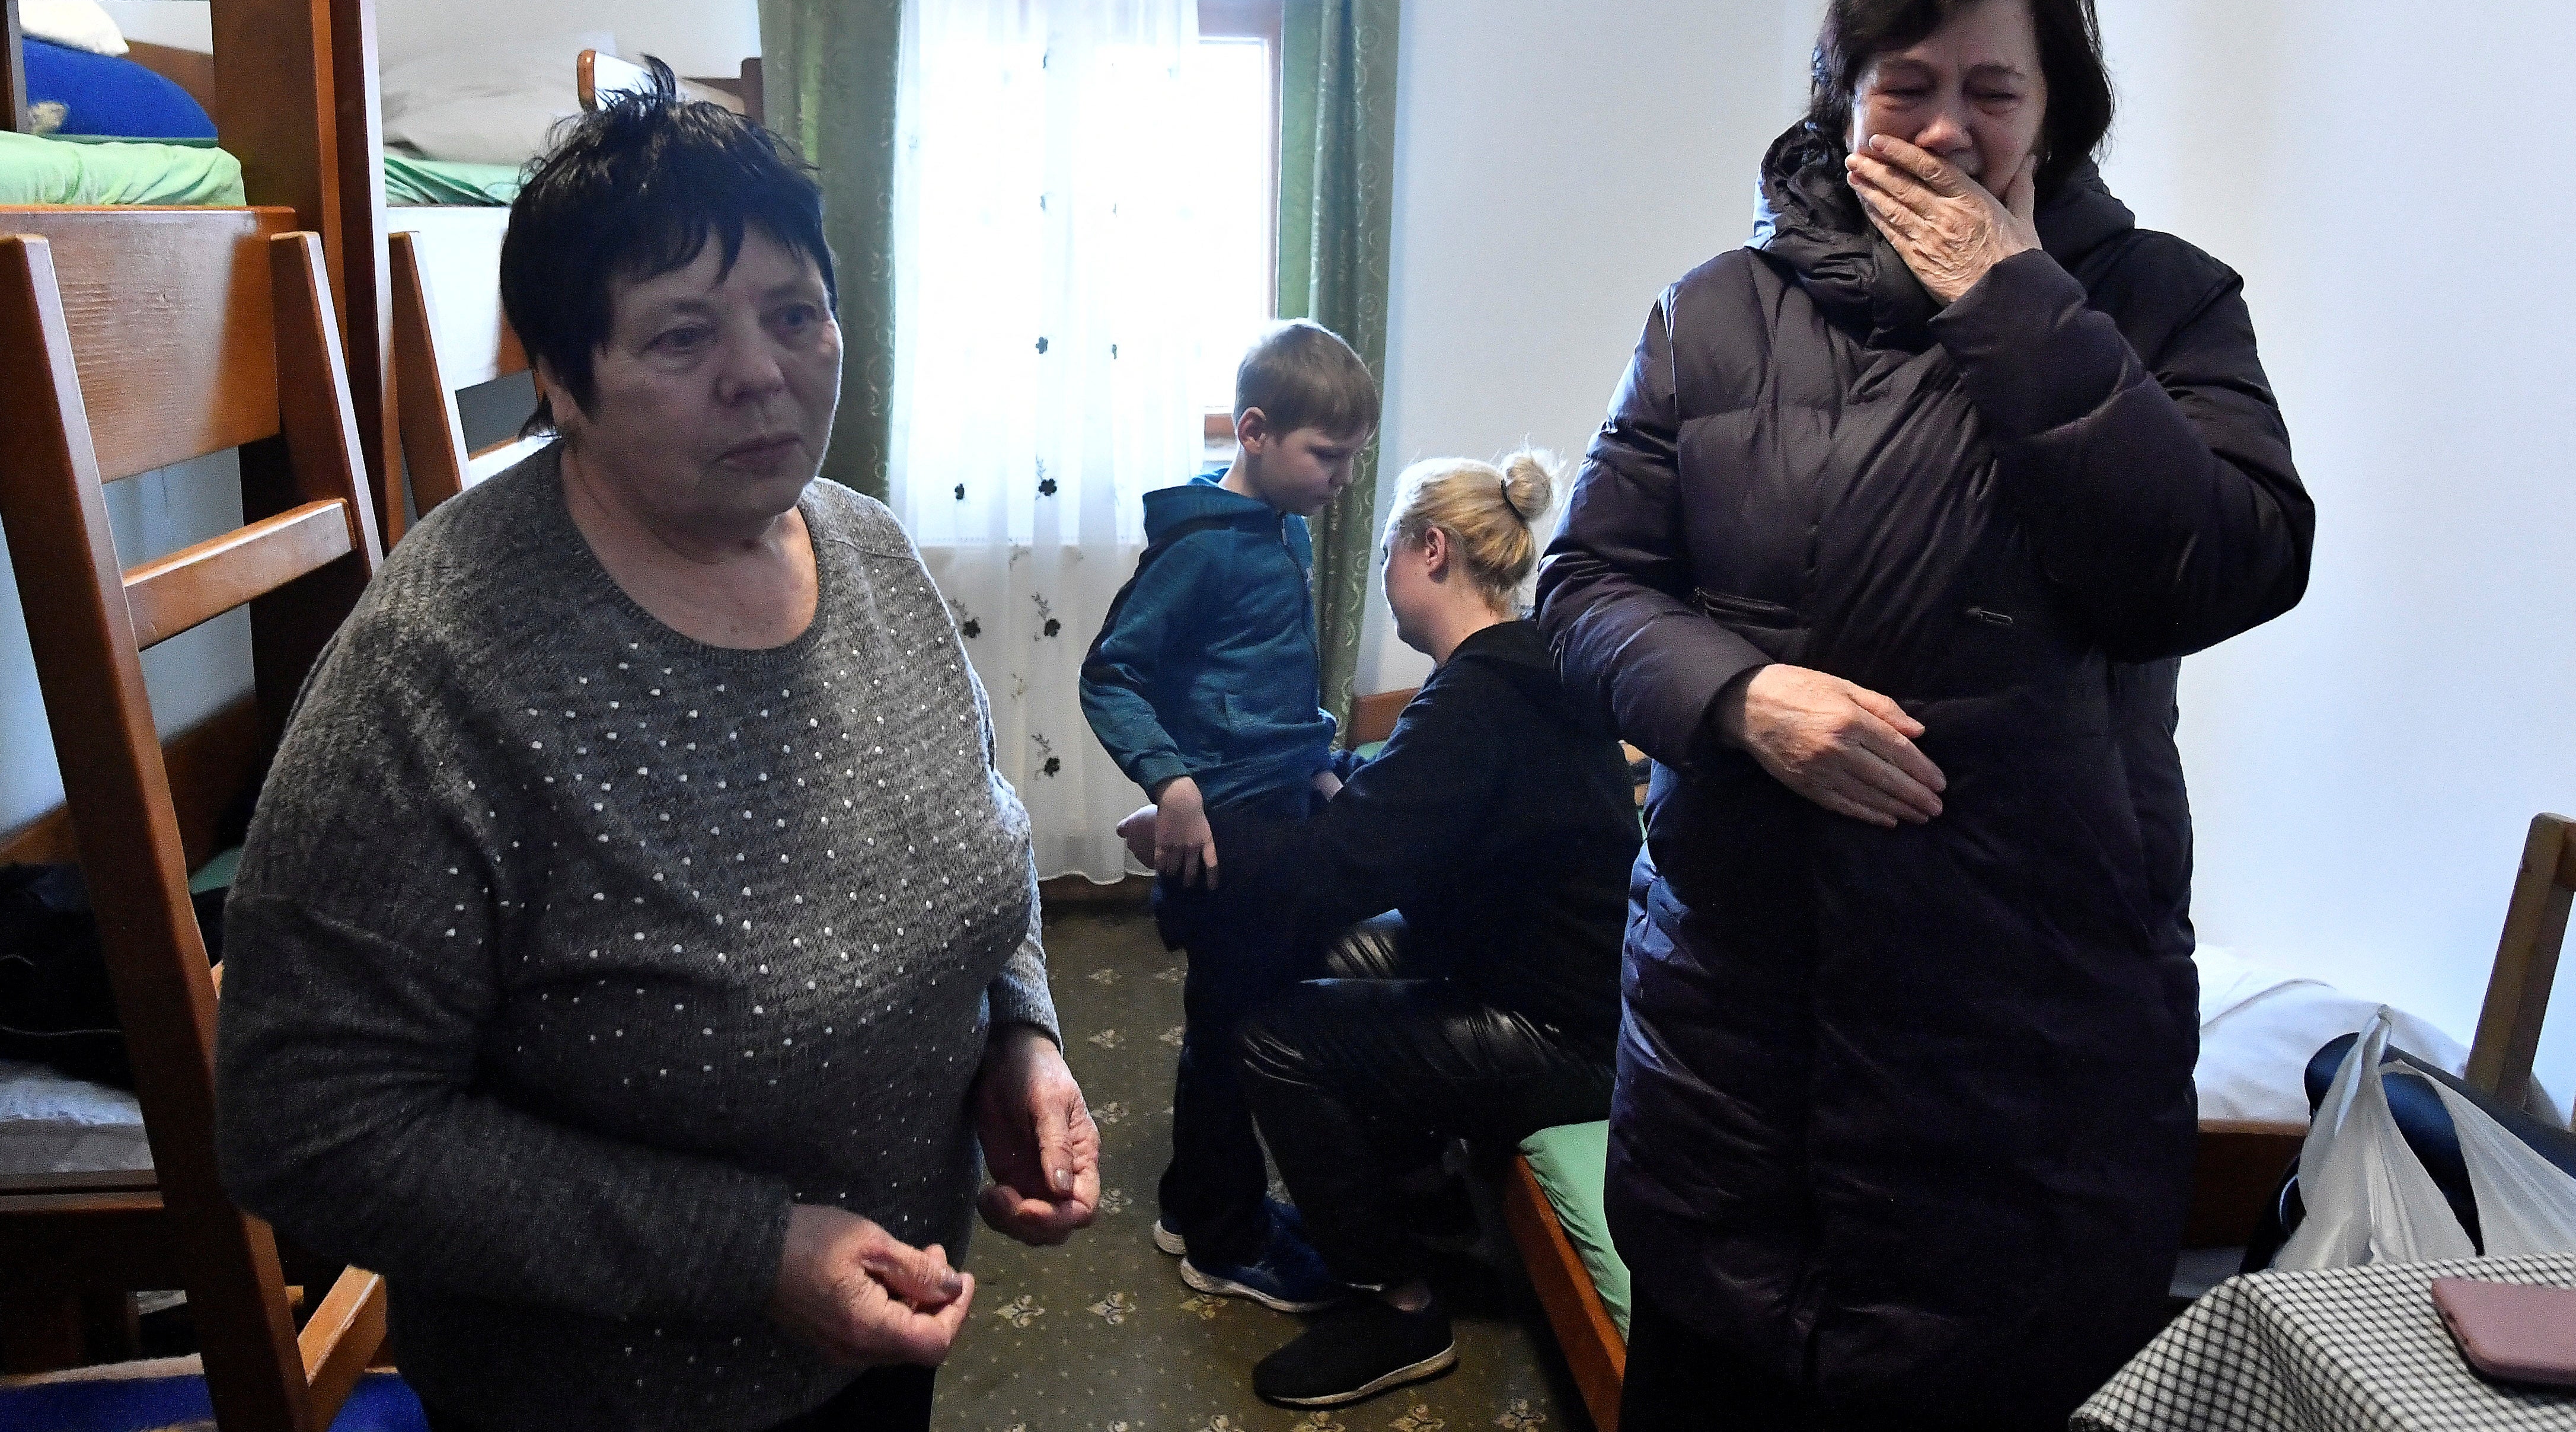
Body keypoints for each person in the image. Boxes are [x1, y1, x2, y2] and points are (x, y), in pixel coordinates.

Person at [215, 79, 1099, 1432]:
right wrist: (744, 1251)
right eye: (681, 335)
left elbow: (977, 838)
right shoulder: (442, 668)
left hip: (877, 1336)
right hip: (616, 1394)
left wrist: (1017, 1034)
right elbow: (308, 1122)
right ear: (562, 381)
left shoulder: (868, 549)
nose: (761, 371)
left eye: (796, 314)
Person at [1538, 0, 2315, 1432]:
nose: (1947, 126)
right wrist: (1740, 697)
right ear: (1841, 97)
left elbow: (2228, 560)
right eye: (1905, 84)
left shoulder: (2162, 302)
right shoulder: (1711, 310)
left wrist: (2011, 300)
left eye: (1993, 88)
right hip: (1733, 1039)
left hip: (2028, 1066)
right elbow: (1584, 584)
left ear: (2057, 109)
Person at [1117, 450, 1640, 1412]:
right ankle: (1414, 1182)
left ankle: (1400, 1303)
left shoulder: (1479, 700)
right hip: (1520, 970)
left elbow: (1335, 870)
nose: (1386, 565)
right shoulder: (1508, 673)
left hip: (1566, 1034)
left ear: (1428, 548)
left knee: (1275, 1037)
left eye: (1394, 545)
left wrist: (1187, 838)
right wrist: (1340, 775)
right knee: (1301, 954)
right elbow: (1409, 801)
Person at [1077, 320, 1378, 1312]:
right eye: (1326, 456)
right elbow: (1112, 673)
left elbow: (1270, 681)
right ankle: (1223, 1235)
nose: (1340, 479)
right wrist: (1171, 781)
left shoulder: (1283, 524)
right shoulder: (1203, 550)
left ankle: (1192, 1202)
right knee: (1237, 1034)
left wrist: (1323, 759)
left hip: (1276, 801)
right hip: (1227, 834)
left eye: (1352, 458)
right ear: (1254, 431)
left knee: (1234, 1022)